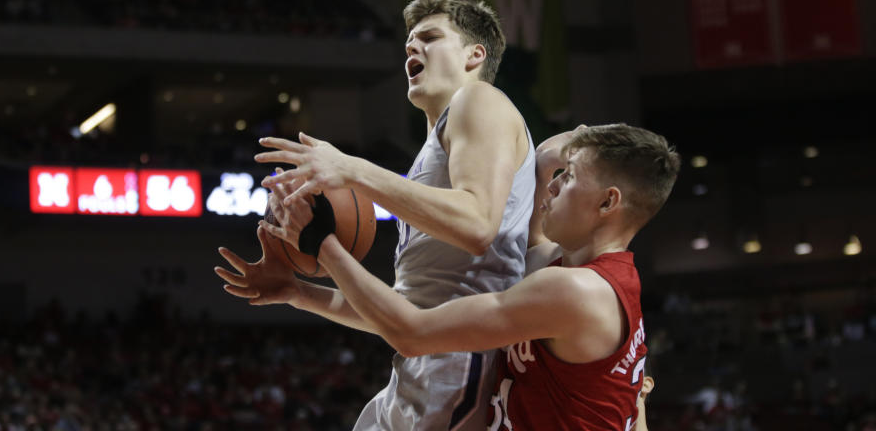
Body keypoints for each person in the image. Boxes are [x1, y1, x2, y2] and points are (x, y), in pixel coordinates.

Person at [218, 0, 536, 431]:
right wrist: (299, 292)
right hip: (415, 368)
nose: (412, 47)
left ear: (474, 55)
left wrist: (353, 170)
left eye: (429, 37)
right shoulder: (430, 153)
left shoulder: (479, 100)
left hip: (459, 365)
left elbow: (477, 223)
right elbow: (405, 311)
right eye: (409, 42)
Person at [224, 123, 679, 430]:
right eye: (561, 175)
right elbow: (542, 160)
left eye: (571, 177)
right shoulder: (566, 269)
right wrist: (297, 292)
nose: (555, 184)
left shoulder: (575, 291)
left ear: (607, 203)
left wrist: (322, 241)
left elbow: (412, 332)